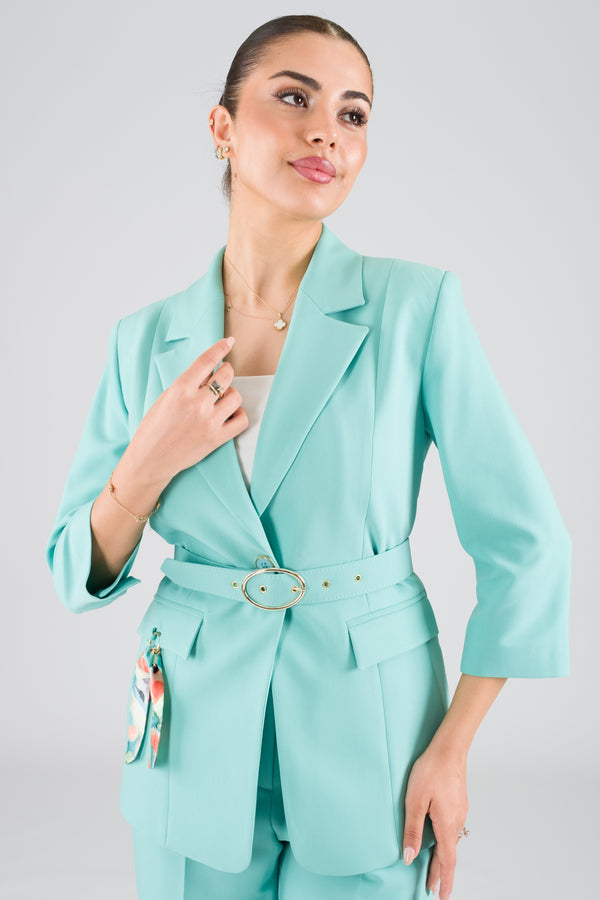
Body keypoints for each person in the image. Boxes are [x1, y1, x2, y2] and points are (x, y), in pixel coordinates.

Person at [46, 14, 571, 900]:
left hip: (374, 732)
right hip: (188, 732)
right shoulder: (143, 341)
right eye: (294, 98)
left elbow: (529, 546)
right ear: (221, 127)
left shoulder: (414, 309)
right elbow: (73, 570)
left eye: (352, 114)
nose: (327, 131)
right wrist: (147, 463)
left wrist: (452, 748)